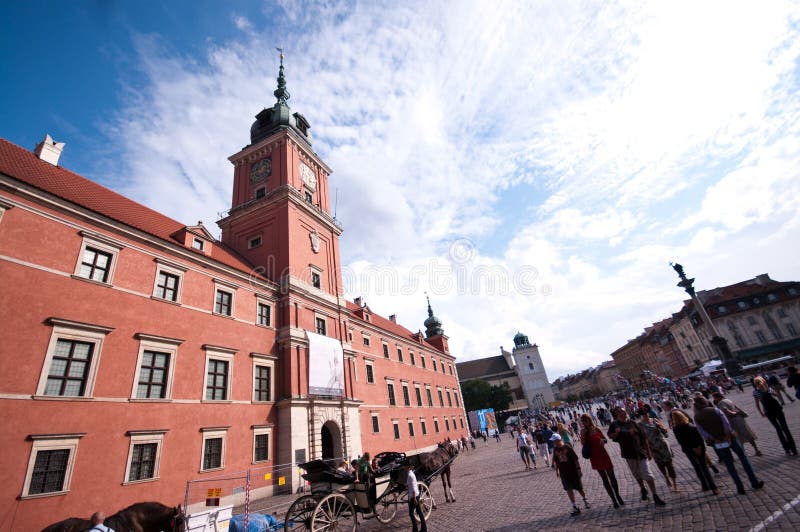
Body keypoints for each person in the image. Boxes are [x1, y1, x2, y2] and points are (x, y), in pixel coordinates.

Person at [694, 396, 765, 495]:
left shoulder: (697, 417)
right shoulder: (715, 410)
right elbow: (726, 423)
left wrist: (714, 438)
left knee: (729, 464)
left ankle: (739, 487)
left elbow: (702, 431)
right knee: (743, 458)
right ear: (705, 402)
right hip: (730, 437)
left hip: (718, 442)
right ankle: (754, 482)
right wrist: (727, 434)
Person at [607, 408, 667, 506]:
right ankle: (643, 488)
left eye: (625, 412)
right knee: (637, 474)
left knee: (647, 474)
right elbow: (610, 436)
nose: (624, 413)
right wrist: (616, 433)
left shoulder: (633, 423)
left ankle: (655, 495)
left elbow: (643, 437)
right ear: (617, 415)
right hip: (628, 453)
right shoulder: (614, 424)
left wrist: (648, 451)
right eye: (622, 412)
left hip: (641, 452)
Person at [580, 413, 624, 508]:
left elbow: (605, 439)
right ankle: (613, 500)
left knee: (612, 476)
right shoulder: (583, 432)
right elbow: (583, 444)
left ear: (589, 420)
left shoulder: (596, 429)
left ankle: (618, 495)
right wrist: (583, 435)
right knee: (604, 478)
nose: (584, 422)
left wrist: (602, 441)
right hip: (595, 457)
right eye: (583, 421)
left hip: (603, 454)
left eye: (585, 420)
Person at [753, 376, 797, 455]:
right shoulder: (768, 388)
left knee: (778, 429)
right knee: (785, 428)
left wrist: (761, 413)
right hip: (777, 409)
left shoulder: (755, 392)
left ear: (755, 383)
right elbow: (776, 395)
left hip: (768, 412)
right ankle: (793, 449)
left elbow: (757, 404)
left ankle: (786, 449)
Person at [639, 408, 678, 493]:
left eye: (647, 413)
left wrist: (660, 427)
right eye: (644, 414)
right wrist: (645, 449)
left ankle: (675, 485)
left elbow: (665, 432)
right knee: (660, 464)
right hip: (653, 448)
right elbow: (641, 438)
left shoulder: (654, 420)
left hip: (663, 445)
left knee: (670, 465)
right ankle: (666, 477)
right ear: (641, 415)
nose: (646, 415)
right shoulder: (640, 425)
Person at [712, 391, 762, 456]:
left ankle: (743, 452)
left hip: (733, 420)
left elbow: (725, 410)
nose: (714, 399)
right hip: (739, 418)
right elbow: (736, 407)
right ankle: (756, 449)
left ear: (717, 397)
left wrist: (733, 413)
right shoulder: (727, 400)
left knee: (737, 437)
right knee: (747, 434)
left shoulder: (720, 403)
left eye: (714, 398)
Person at [551, 434, 590, 516]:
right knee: (569, 489)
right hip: (564, 473)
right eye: (553, 441)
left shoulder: (567, 447)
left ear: (559, 440)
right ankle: (574, 506)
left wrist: (579, 469)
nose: (553, 442)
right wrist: (557, 471)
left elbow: (575, 459)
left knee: (579, 488)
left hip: (573, 471)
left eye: (554, 441)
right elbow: (556, 461)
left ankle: (585, 500)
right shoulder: (555, 449)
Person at [404, 462, 427, 532]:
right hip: (416, 495)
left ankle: (415, 529)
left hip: (414, 497)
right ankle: (424, 529)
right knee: (419, 512)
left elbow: (413, 488)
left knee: (411, 513)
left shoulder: (410, 475)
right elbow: (410, 484)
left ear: (408, 467)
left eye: (405, 466)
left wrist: (414, 499)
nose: (404, 467)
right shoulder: (410, 474)